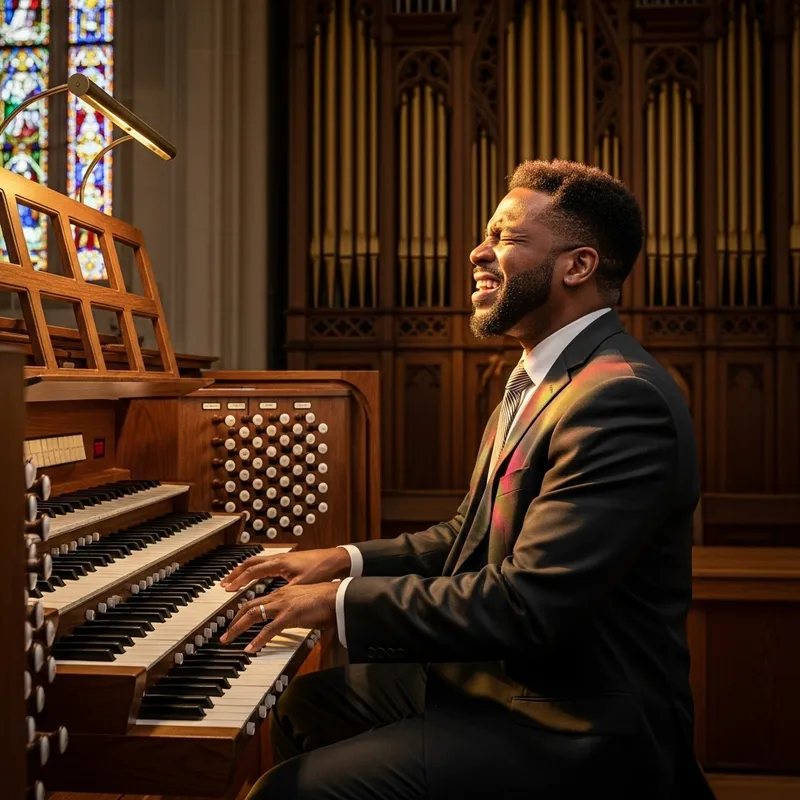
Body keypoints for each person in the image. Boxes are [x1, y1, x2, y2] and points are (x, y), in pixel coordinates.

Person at [219, 159, 707, 799]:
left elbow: (527, 604)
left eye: (505, 238)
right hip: (507, 678)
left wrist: (336, 605)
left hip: (571, 718)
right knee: (303, 706)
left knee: (286, 792)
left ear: (578, 266)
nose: (477, 252)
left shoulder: (619, 399)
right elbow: (468, 536)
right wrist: (344, 559)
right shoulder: (539, 380)